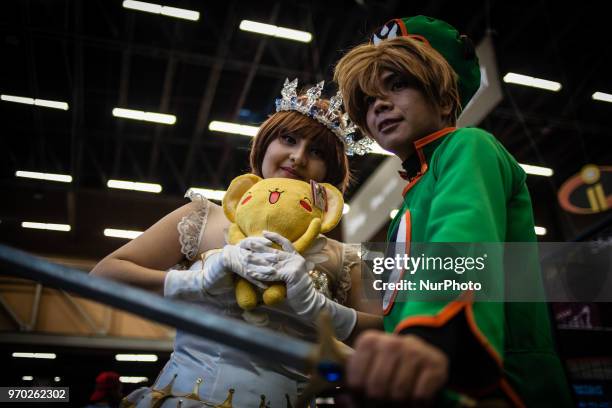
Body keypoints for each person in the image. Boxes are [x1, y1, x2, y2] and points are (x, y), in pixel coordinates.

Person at [91, 80, 382, 407]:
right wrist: (195, 281)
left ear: (329, 170)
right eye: (288, 139)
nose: (298, 157)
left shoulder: (346, 257)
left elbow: (387, 342)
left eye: (316, 151)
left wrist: (322, 311)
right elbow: (103, 276)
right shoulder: (201, 216)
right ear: (266, 144)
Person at [333, 15, 572, 407]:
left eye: (397, 84)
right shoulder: (411, 197)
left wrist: (426, 336)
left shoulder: (468, 145)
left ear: (444, 99)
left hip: (503, 387)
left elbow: (461, 240)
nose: (380, 106)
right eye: (369, 100)